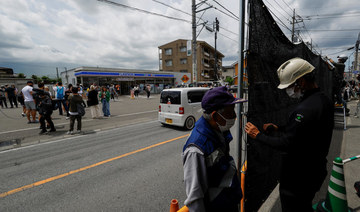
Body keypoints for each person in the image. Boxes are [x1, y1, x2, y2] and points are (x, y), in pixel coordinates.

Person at [244, 58, 334, 212]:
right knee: (304, 205)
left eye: (290, 85)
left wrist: (257, 135)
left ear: (302, 81)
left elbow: (287, 144)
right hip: (315, 170)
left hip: (298, 178)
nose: (289, 90)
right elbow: (306, 131)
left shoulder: (304, 110)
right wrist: (279, 128)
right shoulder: (322, 100)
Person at [182, 86, 246, 212]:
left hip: (228, 200)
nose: (234, 115)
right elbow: (195, 197)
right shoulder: (196, 149)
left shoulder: (219, 130)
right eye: (231, 111)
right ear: (216, 116)